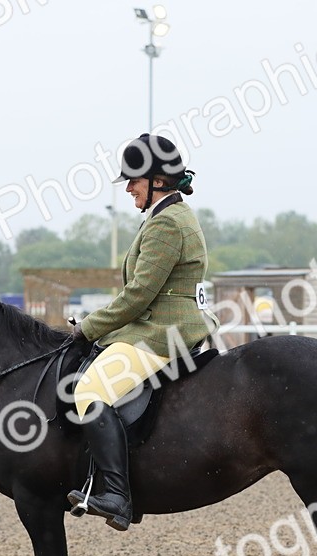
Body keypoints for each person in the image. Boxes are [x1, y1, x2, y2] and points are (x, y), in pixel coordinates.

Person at [66, 134, 212, 530]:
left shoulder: (167, 223)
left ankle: (115, 493)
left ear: (158, 181)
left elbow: (138, 295)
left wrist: (89, 328)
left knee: (90, 390)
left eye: (134, 179)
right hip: (161, 324)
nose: (128, 187)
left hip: (164, 331)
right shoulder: (168, 216)